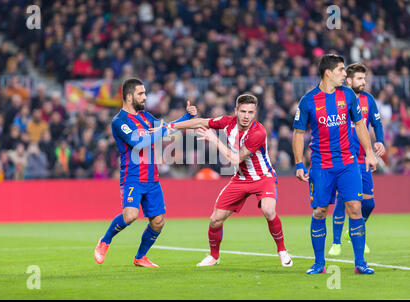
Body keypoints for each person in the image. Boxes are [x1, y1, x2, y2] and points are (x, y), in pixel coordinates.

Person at [160, 93, 293, 268]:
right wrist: (171, 126)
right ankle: (214, 257)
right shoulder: (227, 122)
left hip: (263, 177)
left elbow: (236, 159)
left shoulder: (258, 132)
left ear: (255, 113)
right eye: (243, 111)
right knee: (215, 220)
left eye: (251, 112)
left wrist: (214, 139)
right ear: (236, 111)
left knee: (269, 210)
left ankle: (282, 251)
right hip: (240, 179)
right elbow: (200, 122)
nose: (246, 116)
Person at [94, 78, 197, 267]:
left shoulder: (147, 117)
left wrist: (187, 117)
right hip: (132, 177)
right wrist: (162, 130)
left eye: (145, 93)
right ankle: (105, 241)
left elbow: (168, 128)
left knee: (158, 221)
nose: (145, 97)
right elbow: (138, 142)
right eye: (140, 94)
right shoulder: (119, 122)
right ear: (129, 96)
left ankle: (140, 257)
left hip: (152, 178)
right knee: (130, 216)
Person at [292, 54, 378, 275]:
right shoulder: (308, 100)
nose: (344, 74)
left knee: (356, 208)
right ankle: (319, 263)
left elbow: (359, 125)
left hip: (348, 163)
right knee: (320, 211)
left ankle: (360, 263)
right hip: (321, 166)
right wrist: (299, 163)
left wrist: (369, 153)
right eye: (341, 70)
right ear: (328, 73)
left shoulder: (348, 95)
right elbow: (299, 134)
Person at [328, 63, 385, 256]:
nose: (364, 82)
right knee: (345, 200)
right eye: (360, 79)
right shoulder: (338, 98)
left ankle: (351, 234)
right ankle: (336, 242)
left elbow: (377, 123)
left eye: (364, 79)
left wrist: (381, 141)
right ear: (349, 80)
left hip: (363, 159)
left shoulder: (368, 99)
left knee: (368, 204)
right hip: (343, 159)